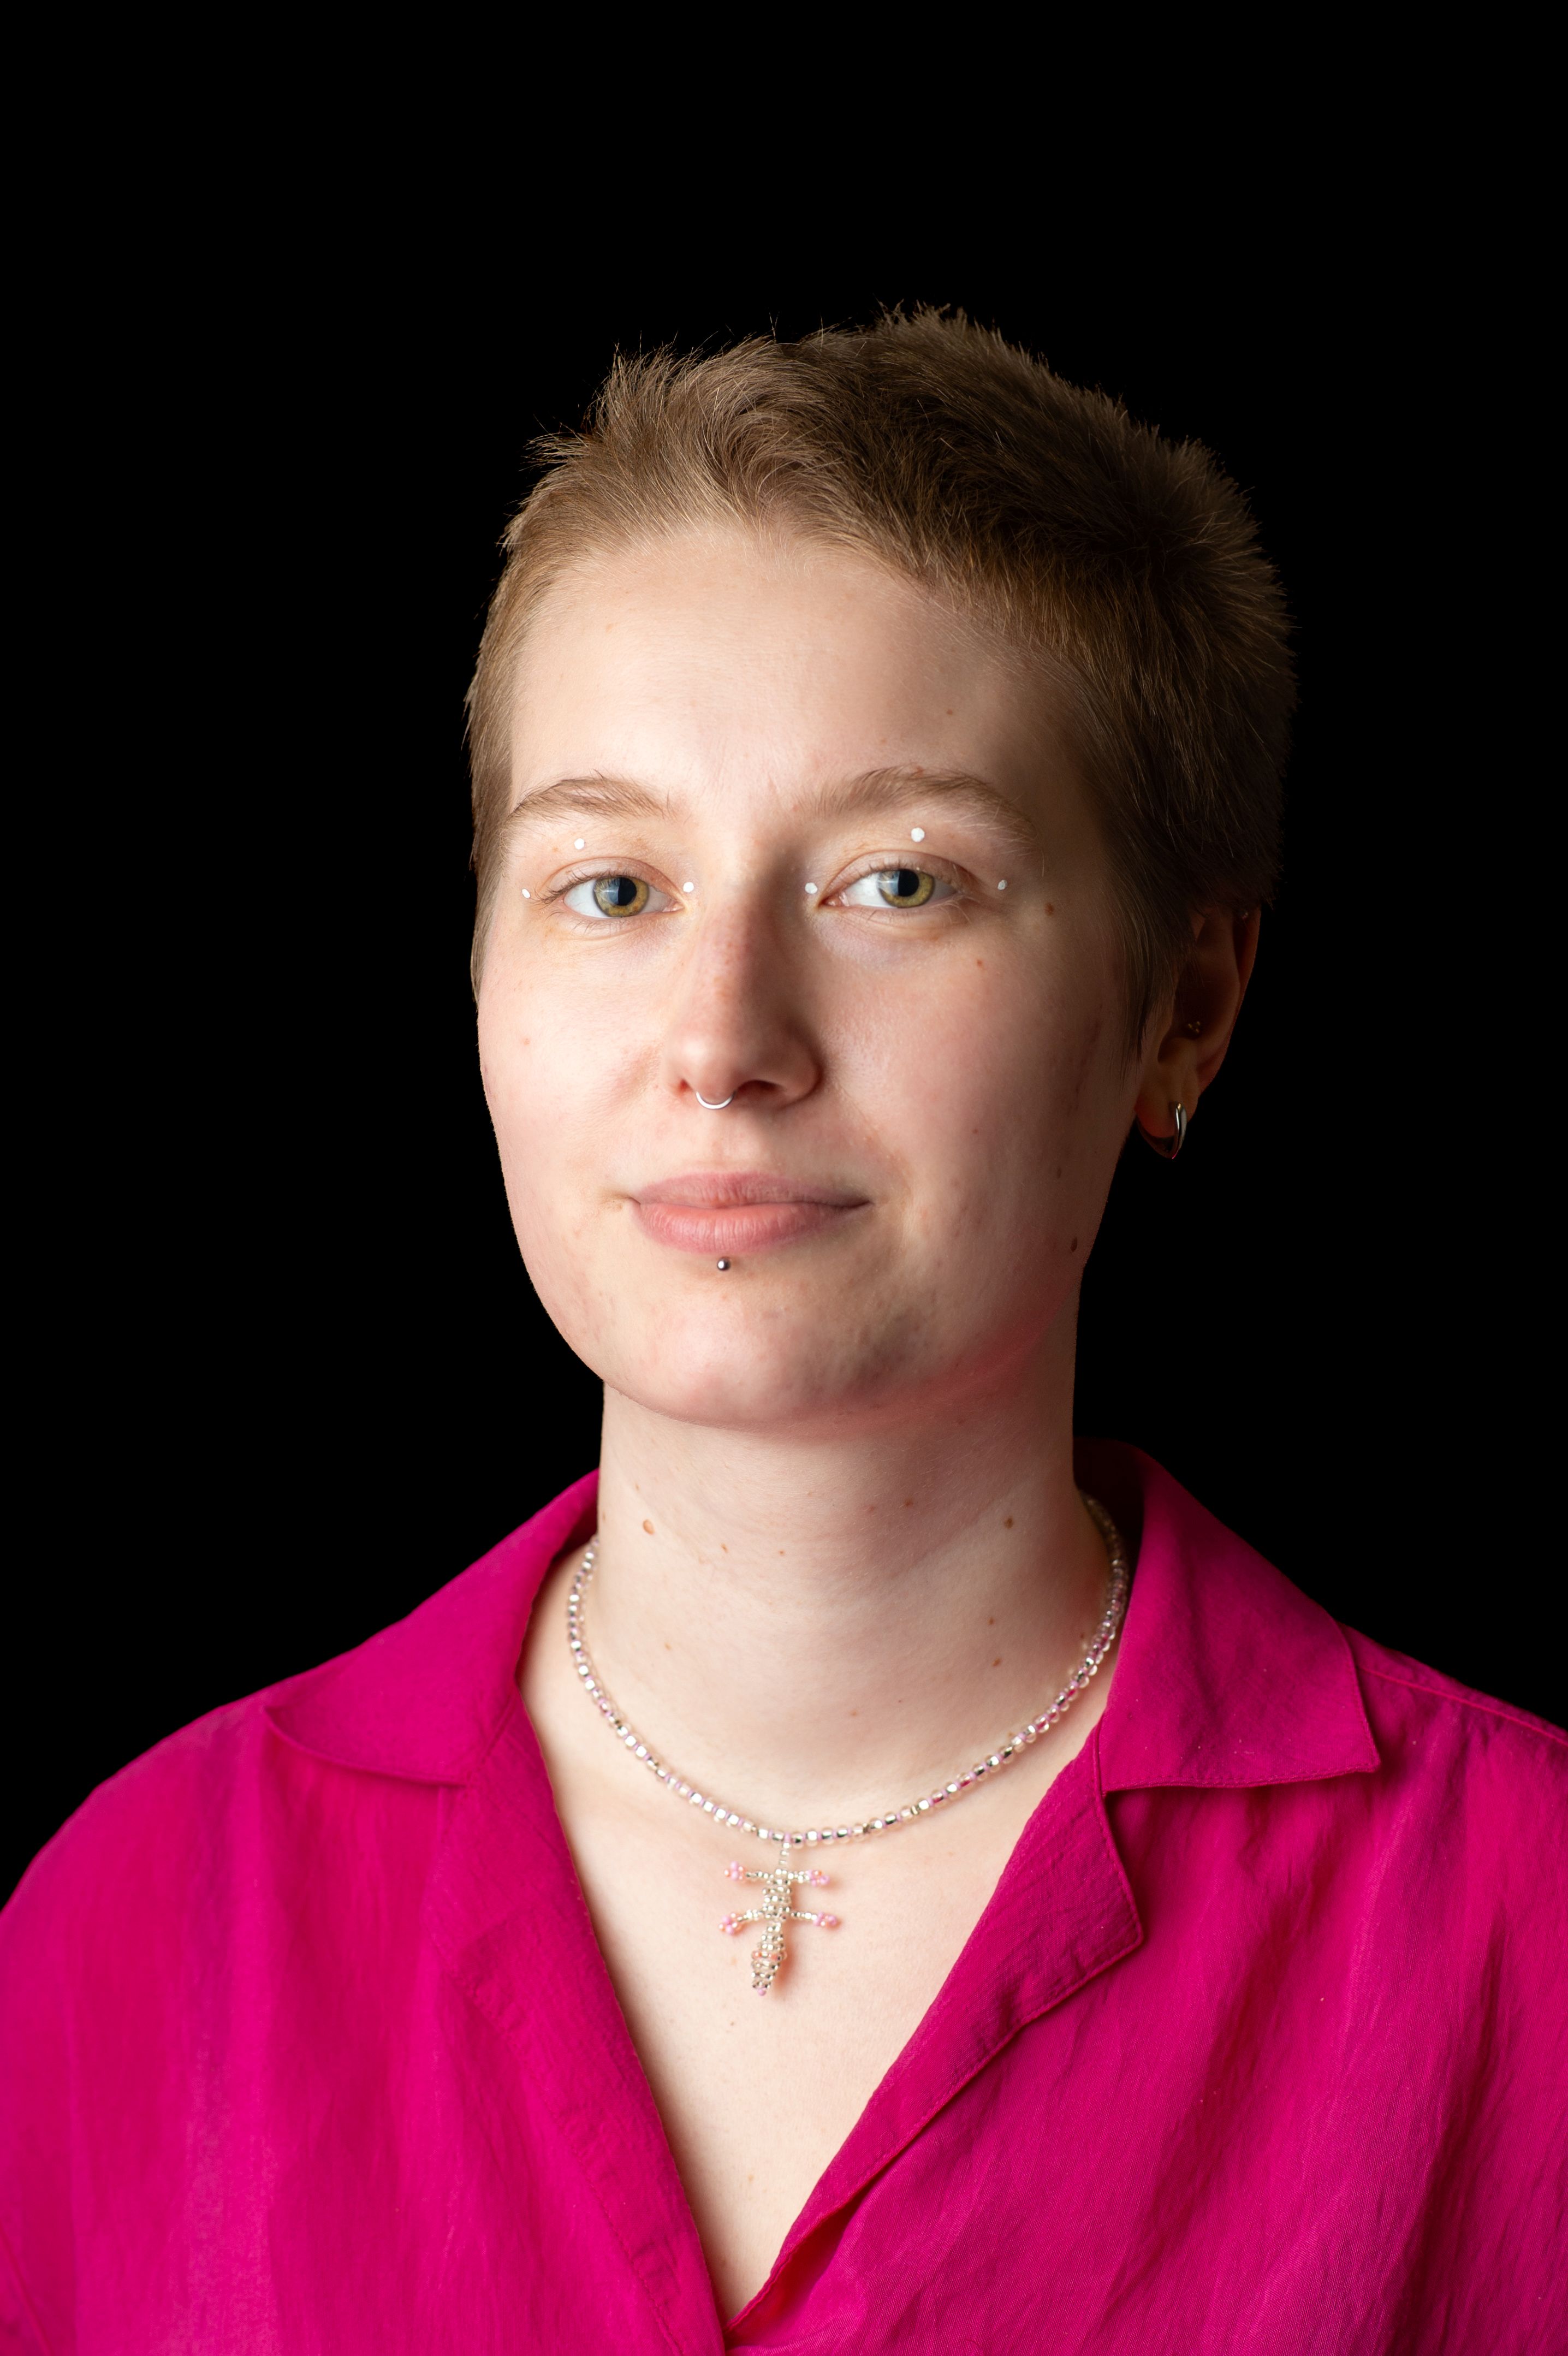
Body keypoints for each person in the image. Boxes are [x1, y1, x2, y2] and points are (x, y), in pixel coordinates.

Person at [2, 312, 1562, 2355]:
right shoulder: (128, 1917)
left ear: (1184, 1007)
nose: (725, 1039)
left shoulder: (1528, 1935)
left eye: (898, 880)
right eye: (611, 885)